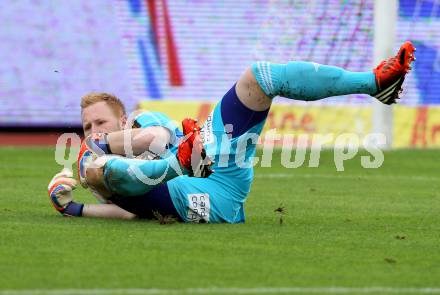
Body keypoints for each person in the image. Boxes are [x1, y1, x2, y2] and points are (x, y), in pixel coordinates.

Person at [48, 41, 416, 223]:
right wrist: (74, 208)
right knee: (100, 173)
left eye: (100, 122)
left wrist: (103, 146)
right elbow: (125, 213)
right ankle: (178, 166)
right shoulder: (96, 163)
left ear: (123, 118)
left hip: (215, 166)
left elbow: (157, 137)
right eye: (87, 127)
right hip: (202, 196)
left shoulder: (141, 121)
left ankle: (374, 82)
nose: (93, 130)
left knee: (260, 77)